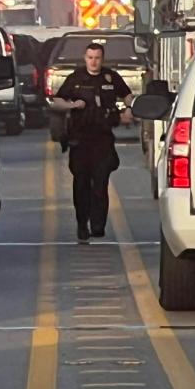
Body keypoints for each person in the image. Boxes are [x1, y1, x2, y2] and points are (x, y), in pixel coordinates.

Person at [50, 42, 133, 243]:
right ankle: (82, 224)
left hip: (103, 139)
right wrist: (72, 104)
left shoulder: (110, 77)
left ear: (102, 59)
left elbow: (128, 95)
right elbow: (57, 101)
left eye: (97, 57)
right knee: (81, 185)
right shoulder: (76, 78)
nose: (93, 61)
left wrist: (130, 109)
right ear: (85, 58)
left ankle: (98, 224)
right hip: (80, 140)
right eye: (90, 57)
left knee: (101, 183)